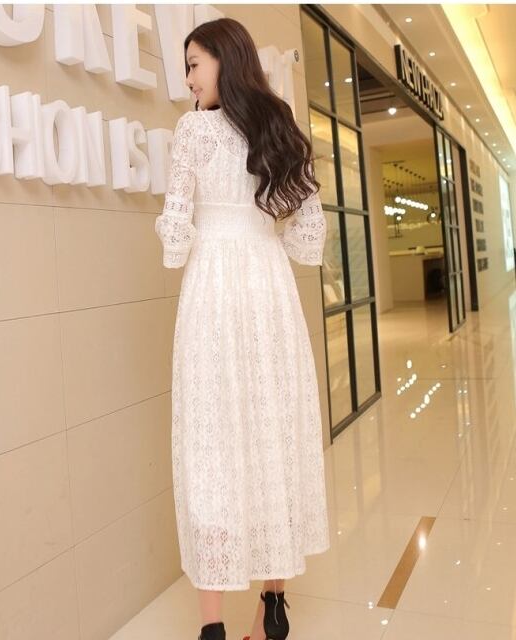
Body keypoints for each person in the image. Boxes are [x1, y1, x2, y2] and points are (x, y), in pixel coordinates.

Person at [154, 17, 330, 640]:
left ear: (224, 60)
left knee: (211, 447)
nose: (188, 78)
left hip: (213, 292)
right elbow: (309, 235)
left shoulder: (193, 130)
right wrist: (263, 233)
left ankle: (213, 628)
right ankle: (273, 606)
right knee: (270, 434)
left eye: (194, 64)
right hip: (268, 291)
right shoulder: (278, 122)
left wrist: (183, 235)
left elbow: (177, 234)